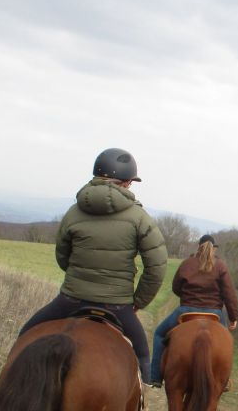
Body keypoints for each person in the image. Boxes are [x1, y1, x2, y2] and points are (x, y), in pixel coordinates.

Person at [19, 148, 167, 388]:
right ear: (128, 182)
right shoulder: (139, 217)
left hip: (70, 299)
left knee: (25, 335)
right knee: (142, 357)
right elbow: (157, 266)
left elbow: (62, 255)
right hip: (117, 305)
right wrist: (138, 301)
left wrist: (78, 279)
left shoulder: (74, 211)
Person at [150, 234, 238, 388]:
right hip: (215, 314)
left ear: (199, 246)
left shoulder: (186, 263)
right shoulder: (221, 266)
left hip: (186, 311)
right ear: (214, 248)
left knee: (158, 333)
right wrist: (233, 316)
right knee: (227, 342)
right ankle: (224, 381)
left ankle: (155, 377)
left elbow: (176, 288)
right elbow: (229, 294)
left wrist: (188, 297)